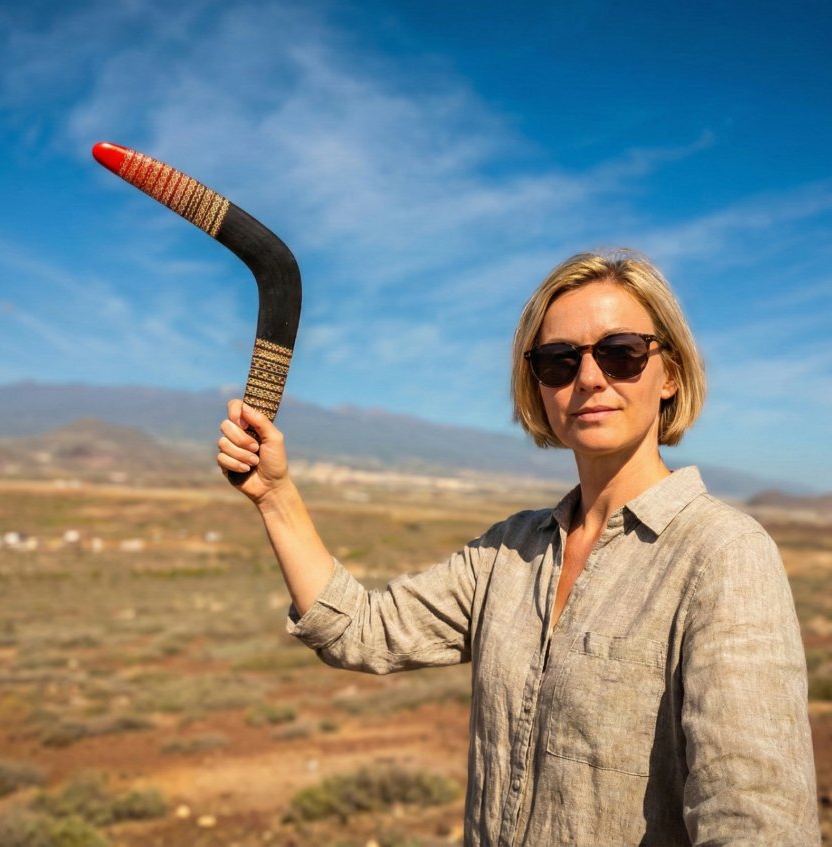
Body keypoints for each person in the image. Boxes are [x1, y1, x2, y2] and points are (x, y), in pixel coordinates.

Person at [217, 250, 820, 846]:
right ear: (538, 388)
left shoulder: (722, 555)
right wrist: (275, 495)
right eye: (558, 362)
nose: (588, 378)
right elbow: (363, 630)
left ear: (672, 376)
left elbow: (754, 821)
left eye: (621, 354)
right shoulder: (511, 551)